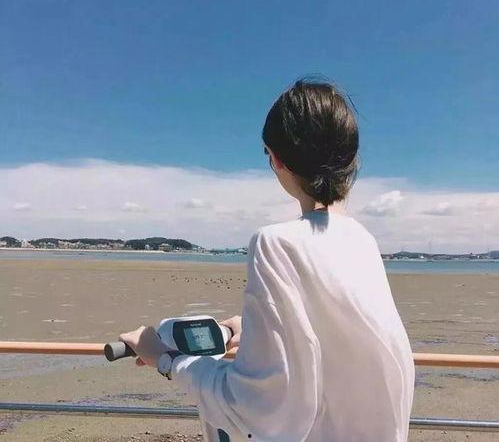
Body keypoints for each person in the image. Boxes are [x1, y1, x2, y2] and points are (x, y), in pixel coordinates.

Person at [119, 79, 415, 441]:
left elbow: (253, 403)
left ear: (276, 158)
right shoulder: (363, 241)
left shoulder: (275, 243)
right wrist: (254, 330)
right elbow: (336, 345)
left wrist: (165, 358)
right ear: (350, 159)